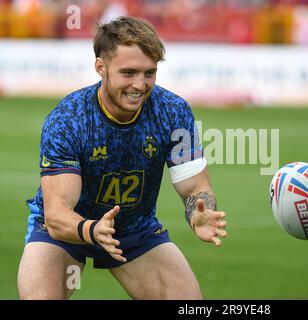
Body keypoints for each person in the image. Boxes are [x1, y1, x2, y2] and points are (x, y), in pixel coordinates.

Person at [17, 16, 227, 300]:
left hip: (133, 229)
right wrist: (92, 230)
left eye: (149, 73)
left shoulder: (174, 112)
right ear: (100, 67)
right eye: (129, 73)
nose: (140, 85)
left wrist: (199, 212)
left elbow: (194, 188)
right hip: (66, 231)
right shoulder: (68, 119)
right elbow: (57, 215)